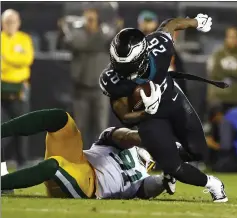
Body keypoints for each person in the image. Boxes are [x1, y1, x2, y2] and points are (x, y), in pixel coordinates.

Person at [99, 14, 228, 203]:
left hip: (173, 101)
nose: (120, 70)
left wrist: (196, 23)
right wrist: (146, 112)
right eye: (117, 63)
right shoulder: (112, 79)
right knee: (174, 166)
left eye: (126, 65)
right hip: (149, 118)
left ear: (141, 57)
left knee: (199, 152)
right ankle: (213, 184)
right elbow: (124, 116)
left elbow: (171, 24)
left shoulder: (159, 46)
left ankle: (167, 151)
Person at [1, 109, 169, 200]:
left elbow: (149, 188)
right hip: (80, 159)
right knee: (61, 119)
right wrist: (144, 137)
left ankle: (3, 183)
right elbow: (123, 136)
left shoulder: (144, 176)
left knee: (55, 165)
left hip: (89, 185)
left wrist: (166, 179)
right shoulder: (122, 142)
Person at [59, 8, 111, 149]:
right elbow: (75, 43)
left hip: (100, 89)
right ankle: (80, 160)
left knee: (100, 127)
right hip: (81, 88)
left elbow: (104, 41)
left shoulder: (106, 34)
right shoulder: (78, 34)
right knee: (80, 127)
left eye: (92, 18)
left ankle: (100, 162)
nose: (89, 20)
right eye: (87, 18)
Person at [1, 9, 34, 169]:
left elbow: (27, 60)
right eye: (7, 22)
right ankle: (2, 165)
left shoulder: (25, 39)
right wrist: (16, 61)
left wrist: (6, 58)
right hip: (2, 88)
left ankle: (22, 162)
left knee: (23, 126)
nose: (10, 25)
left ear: (19, 22)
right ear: (2, 23)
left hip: (20, 88)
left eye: (13, 21)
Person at [206, 26, 237, 151]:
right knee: (215, 129)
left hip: (236, 100)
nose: (232, 40)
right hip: (218, 99)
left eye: (235, 37)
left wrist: (226, 73)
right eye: (230, 37)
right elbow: (215, 73)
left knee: (236, 129)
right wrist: (233, 74)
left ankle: (233, 157)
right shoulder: (218, 54)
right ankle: (214, 157)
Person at [212, 106, 237, 173]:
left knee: (219, 167)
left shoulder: (227, 118)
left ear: (218, 114)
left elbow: (226, 146)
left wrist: (212, 144)